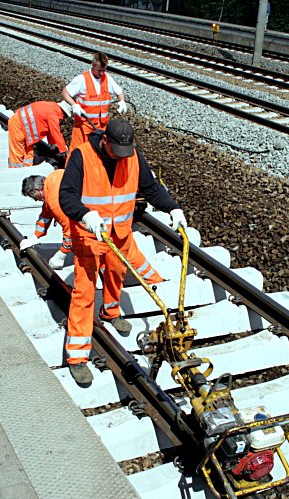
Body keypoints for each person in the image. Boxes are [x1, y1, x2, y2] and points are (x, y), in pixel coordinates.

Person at [59, 120, 186, 385]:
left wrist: (172, 207)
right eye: (116, 151)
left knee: (116, 272)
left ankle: (111, 313)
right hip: (89, 234)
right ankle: (76, 356)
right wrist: (85, 214)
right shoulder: (81, 156)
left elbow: (150, 188)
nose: (121, 157)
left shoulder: (133, 155)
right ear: (105, 140)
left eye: (125, 152)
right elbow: (66, 196)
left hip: (118, 233)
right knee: (84, 292)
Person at [20, 173, 164, 282]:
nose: (36, 201)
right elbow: (45, 215)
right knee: (120, 253)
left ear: (39, 190)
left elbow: (69, 232)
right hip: (105, 212)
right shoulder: (53, 179)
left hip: (102, 222)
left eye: (34, 197)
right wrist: (35, 237)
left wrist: (61, 255)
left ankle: (143, 282)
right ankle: (153, 279)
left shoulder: (54, 199)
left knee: (122, 252)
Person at [61, 52, 127, 155]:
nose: (101, 73)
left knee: (98, 155)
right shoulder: (82, 79)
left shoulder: (107, 78)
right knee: (77, 153)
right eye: (99, 70)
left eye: (104, 70)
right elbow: (65, 92)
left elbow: (119, 92)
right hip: (84, 126)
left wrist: (122, 101)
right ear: (93, 65)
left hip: (101, 126)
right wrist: (74, 105)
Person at [7, 101, 68, 169]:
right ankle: (15, 172)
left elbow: (50, 129)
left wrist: (52, 143)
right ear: (64, 112)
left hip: (24, 127)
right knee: (17, 153)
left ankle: (27, 170)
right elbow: (56, 132)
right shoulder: (53, 114)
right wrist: (64, 149)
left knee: (28, 154)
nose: (63, 118)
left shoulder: (51, 107)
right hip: (18, 125)